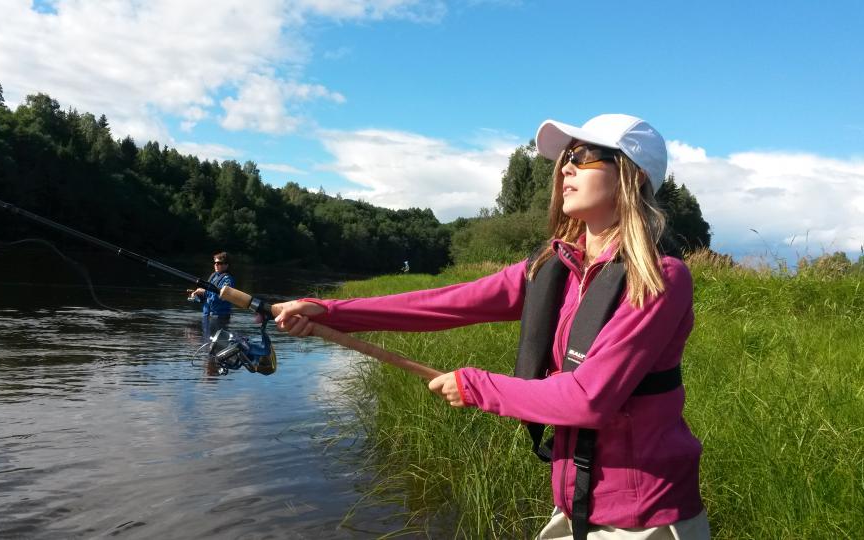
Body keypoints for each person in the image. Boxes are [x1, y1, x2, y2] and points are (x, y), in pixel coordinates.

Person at [271, 114, 710, 539]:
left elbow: (588, 400)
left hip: (645, 519)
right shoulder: (554, 267)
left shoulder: (659, 278)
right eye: (567, 157)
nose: (568, 167)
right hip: (575, 505)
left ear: (630, 175)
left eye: (587, 155)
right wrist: (330, 311)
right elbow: (443, 303)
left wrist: (476, 386)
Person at [189, 251, 235, 333]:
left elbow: (223, 297)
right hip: (207, 315)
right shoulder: (213, 276)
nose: (216, 265)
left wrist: (204, 292)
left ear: (227, 265)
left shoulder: (228, 280)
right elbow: (207, 296)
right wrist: (197, 295)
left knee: (214, 342)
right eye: (215, 263)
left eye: (219, 263)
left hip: (219, 317)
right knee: (206, 342)